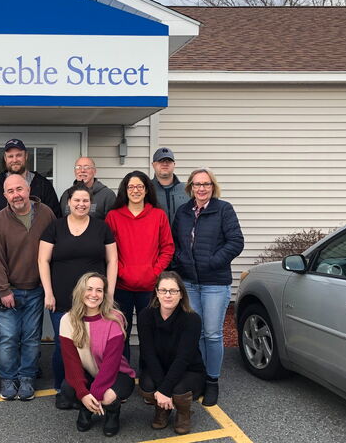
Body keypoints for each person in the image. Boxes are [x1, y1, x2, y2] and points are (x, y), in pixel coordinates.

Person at [38, 182, 117, 409]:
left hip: (94, 300)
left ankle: (91, 387)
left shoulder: (101, 228)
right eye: (77, 200)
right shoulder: (55, 227)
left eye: (85, 201)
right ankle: (64, 388)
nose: (81, 204)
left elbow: (112, 261)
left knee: (91, 346)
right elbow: (43, 260)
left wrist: (108, 293)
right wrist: (48, 293)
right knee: (65, 347)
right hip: (62, 299)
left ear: (90, 204)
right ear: (68, 202)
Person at [172, 167, 244, 406]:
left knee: (212, 334)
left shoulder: (223, 209)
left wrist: (212, 262)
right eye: (196, 184)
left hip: (214, 283)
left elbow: (236, 242)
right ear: (190, 188)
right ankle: (200, 377)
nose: (201, 188)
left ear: (213, 187)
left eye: (206, 184)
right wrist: (181, 263)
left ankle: (212, 381)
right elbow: (175, 244)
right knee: (197, 332)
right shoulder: (183, 212)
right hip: (190, 283)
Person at [0, 173, 56, 401]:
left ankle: (27, 378)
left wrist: (50, 288)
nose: (16, 195)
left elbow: (55, 249)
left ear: (28, 190)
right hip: (10, 289)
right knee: (7, 338)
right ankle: (8, 378)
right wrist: (3, 289)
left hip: (36, 289)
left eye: (19, 189)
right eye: (11, 191)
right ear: (5, 195)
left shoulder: (46, 213)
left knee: (31, 337)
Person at [105, 170, 174, 361]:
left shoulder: (158, 215)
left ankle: (149, 374)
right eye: (131, 187)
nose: (135, 190)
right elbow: (108, 250)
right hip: (121, 286)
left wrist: (155, 272)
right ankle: (123, 373)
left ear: (146, 190)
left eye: (139, 186)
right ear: (125, 190)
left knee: (150, 334)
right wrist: (121, 271)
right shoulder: (113, 216)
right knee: (120, 333)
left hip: (150, 286)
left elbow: (167, 248)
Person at [59, 272, 135, 437]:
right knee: (69, 388)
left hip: (117, 374)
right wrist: (83, 394)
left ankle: (112, 413)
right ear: (80, 291)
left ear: (104, 294)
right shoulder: (67, 320)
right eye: (89, 289)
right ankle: (86, 409)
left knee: (108, 397)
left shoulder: (115, 318)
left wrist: (95, 393)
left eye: (99, 290)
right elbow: (71, 362)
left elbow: (111, 363)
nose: (94, 294)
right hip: (89, 373)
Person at [137, 271, 206, 435]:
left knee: (179, 389)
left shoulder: (192, 319)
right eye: (163, 290)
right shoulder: (145, 316)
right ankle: (163, 409)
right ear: (156, 292)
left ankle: (183, 413)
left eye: (173, 291)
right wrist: (163, 389)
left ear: (181, 294)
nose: (168, 295)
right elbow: (148, 353)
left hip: (189, 370)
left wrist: (164, 390)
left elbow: (183, 359)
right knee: (146, 386)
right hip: (159, 366)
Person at [0, 138, 61, 217]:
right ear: (5, 158)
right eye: (10, 156)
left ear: (26, 156)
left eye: (18, 155)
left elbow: (55, 218)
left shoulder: (43, 185)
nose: (14, 160)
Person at [151, 147, 188, 226]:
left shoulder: (187, 190)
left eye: (169, 161)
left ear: (174, 164)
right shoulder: (146, 190)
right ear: (153, 165)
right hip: (155, 237)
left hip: (182, 238)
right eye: (161, 161)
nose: (165, 164)